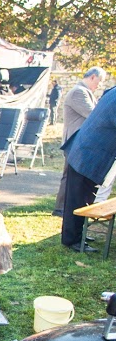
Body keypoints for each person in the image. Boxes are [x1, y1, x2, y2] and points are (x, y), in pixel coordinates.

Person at [60, 86, 116, 252]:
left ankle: (78, 233)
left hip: (87, 150)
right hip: (88, 153)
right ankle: (73, 240)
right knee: (78, 200)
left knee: (83, 197)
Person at [53, 67, 107, 216]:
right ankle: (62, 208)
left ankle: (62, 207)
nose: (99, 85)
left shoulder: (84, 92)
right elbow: (93, 114)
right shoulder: (79, 92)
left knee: (70, 176)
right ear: (92, 77)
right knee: (70, 176)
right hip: (75, 141)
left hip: (77, 141)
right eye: (99, 81)